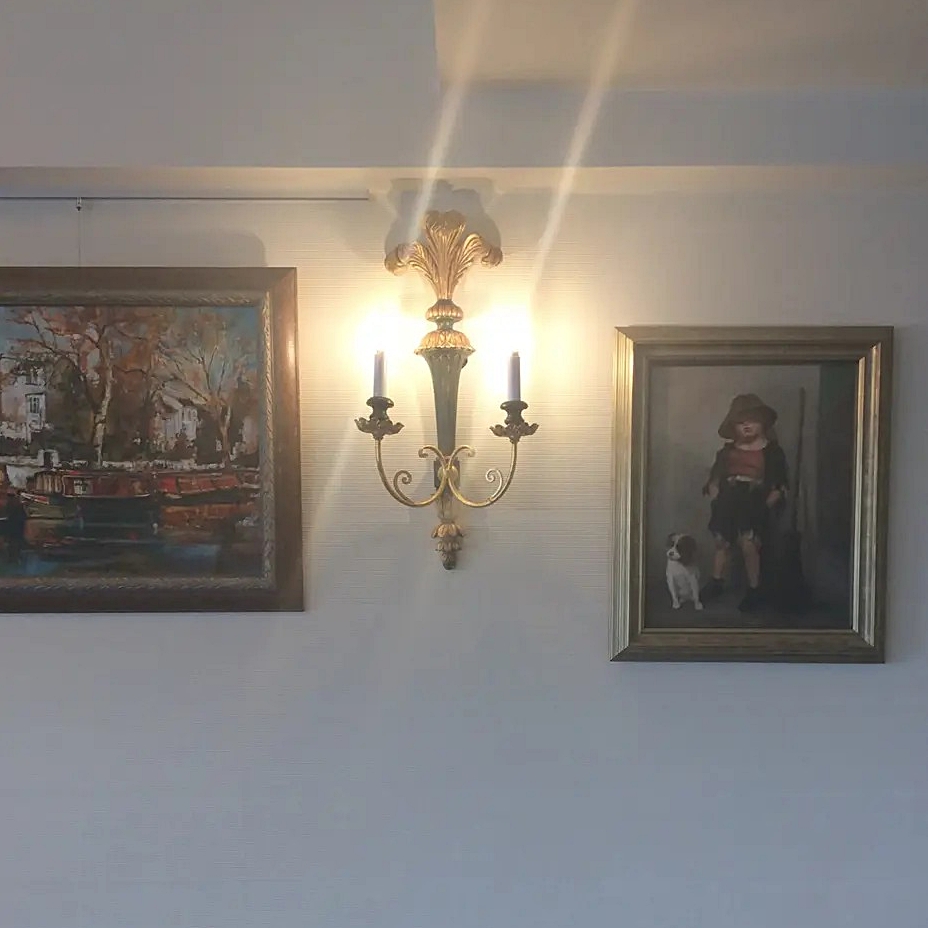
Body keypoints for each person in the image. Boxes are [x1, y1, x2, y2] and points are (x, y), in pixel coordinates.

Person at [700, 394, 788, 612]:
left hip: (755, 500)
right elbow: (715, 478)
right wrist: (715, 494)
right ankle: (717, 581)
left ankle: (754, 589)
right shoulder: (727, 452)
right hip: (728, 499)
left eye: (752, 420)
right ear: (733, 426)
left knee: (748, 543)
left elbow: (779, 484)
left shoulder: (772, 452)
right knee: (722, 541)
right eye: (741, 422)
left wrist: (766, 505)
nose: (747, 426)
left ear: (763, 423)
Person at [4, 489, 26, 565]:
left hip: (14, 526)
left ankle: (13, 558)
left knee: (13, 542)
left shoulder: (11, 503)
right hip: (16, 526)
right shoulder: (18, 503)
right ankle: (14, 558)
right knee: (15, 542)